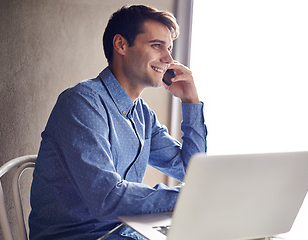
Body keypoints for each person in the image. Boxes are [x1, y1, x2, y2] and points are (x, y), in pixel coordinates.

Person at [29, 4, 207, 240]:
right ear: (121, 45)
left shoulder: (142, 114)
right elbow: (106, 198)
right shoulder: (81, 102)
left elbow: (191, 171)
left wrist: (191, 102)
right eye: (157, 46)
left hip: (124, 232)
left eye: (169, 48)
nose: (168, 59)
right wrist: (186, 198)